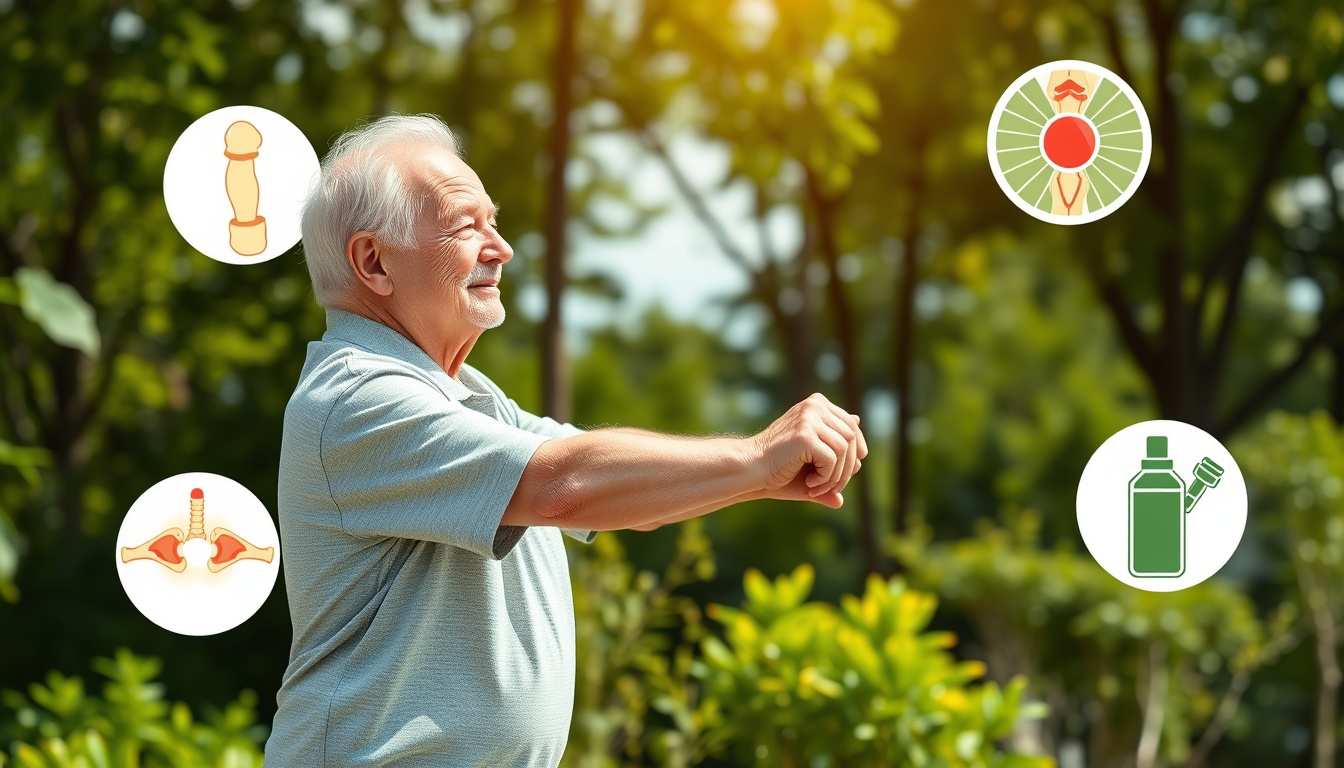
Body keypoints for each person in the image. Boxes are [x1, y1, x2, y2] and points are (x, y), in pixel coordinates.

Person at [266, 113, 868, 766]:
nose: (501, 248)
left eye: (493, 222)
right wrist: (754, 457)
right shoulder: (356, 397)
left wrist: (759, 477)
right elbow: (563, 486)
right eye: (467, 225)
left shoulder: (472, 397)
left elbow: (613, 490)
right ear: (373, 262)